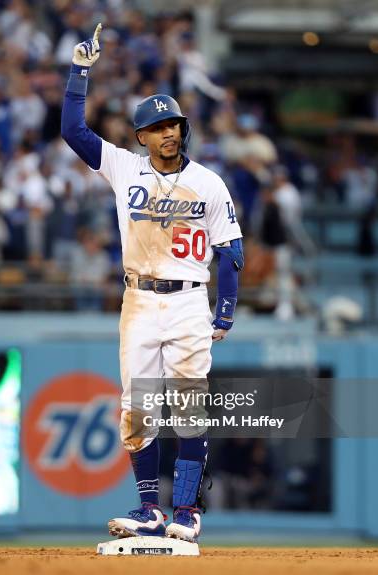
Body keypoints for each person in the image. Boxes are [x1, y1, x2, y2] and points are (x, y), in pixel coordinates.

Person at [61, 24, 244, 543]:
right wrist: (79, 72)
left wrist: (225, 310)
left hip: (188, 302)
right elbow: (74, 133)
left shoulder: (208, 181)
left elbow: (231, 249)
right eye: (158, 126)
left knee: (189, 405)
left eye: (175, 124)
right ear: (141, 136)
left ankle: (186, 510)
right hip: (139, 299)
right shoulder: (124, 168)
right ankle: (149, 509)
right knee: (136, 408)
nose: (169, 132)